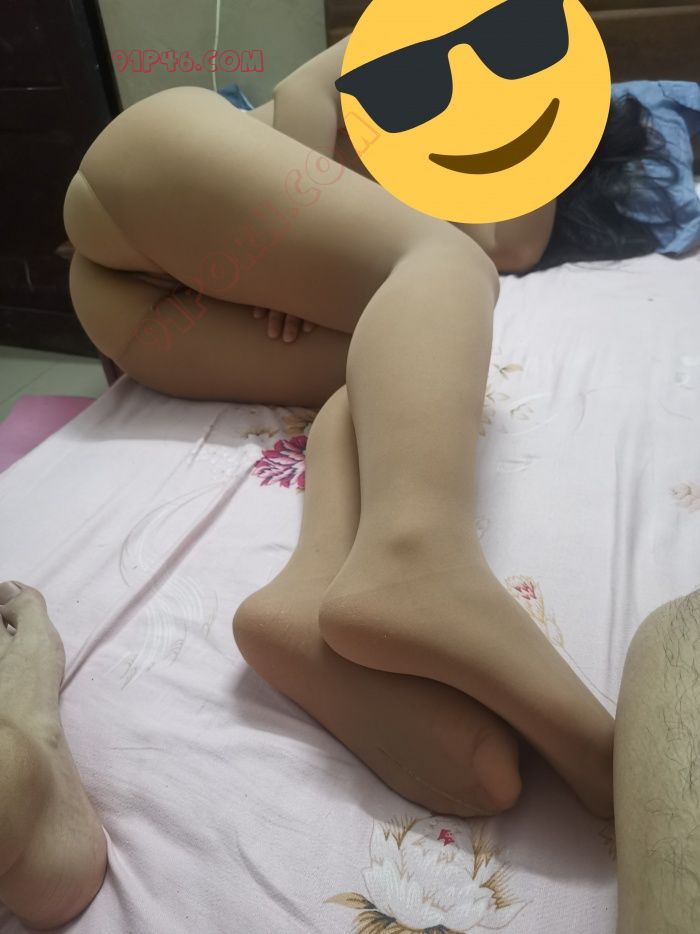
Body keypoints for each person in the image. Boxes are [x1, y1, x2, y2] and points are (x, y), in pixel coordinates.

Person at [0, 33, 691, 933]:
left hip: (145, 311)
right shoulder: (456, 35)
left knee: (391, 379)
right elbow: (307, 96)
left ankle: (311, 588)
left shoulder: (527, 143)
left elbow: (512, 245)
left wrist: (527, 150)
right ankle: (421, 553)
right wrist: (290, 236)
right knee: (444, 269)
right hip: (164, 165)